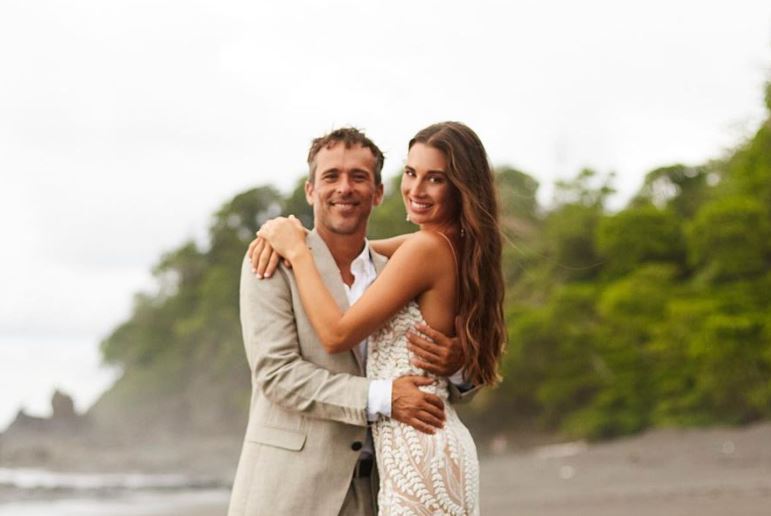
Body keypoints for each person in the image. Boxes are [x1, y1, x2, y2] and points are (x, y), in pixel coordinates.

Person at [257, 122, 506, 515]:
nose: (416, 189)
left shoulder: (424, 250)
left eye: (435, 179)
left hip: (417, 451)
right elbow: (353, 250)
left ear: (461, 187)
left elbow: (336, 334)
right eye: (411, 173)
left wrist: (298, 253)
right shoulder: (446, 244)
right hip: (424, 450)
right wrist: (289, 233)